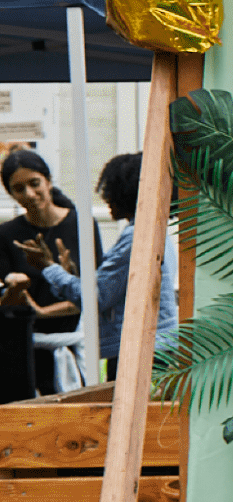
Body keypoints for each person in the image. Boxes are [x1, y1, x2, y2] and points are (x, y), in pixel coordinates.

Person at [12, 154, 178, 381]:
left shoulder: (136, 238)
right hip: (152, 348)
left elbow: (95, 297)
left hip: (137, 352)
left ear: (125, 192)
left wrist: (48, 267)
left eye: (109, 189)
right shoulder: (152, 231)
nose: (105, 197)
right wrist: (70, 275)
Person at [0, 149, 102, 395]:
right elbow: (7, 304)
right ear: (10, 193)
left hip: (72, 343)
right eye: (19, 188)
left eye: (35, 184)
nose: (30, 194)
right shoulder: (7, 234)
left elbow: (96, 295)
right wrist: (15, 289)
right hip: (22, 348)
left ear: (48, 180)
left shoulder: (82, 225)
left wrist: (42, 312)